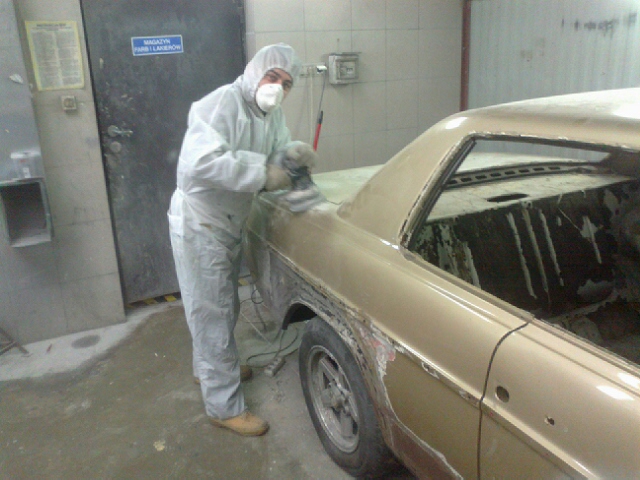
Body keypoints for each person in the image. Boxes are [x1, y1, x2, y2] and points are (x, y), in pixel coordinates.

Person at [167, 44, 316, 436]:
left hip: (229, 220)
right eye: (272, 76)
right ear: (254, 72)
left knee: (221, 305)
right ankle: (223, 406)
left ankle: (210, 370)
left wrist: (292, 158)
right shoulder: (222, 104)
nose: (277, 87)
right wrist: (263, 174)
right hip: (202, 221)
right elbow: (201, 162)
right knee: (212, 313)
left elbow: (278, 152)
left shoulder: (270, 113)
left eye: (286, 83)